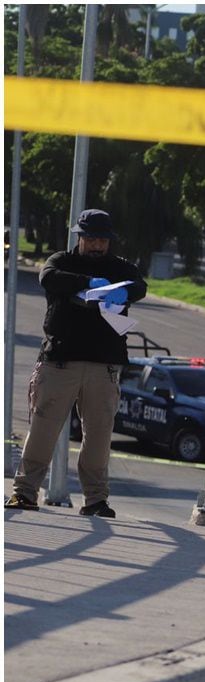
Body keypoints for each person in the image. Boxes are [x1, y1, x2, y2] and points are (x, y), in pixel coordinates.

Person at [5, 209, 147, 517]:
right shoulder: (62, 262)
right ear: (79, 237)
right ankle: (24, 493)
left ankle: (96, 500)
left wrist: (122, 290)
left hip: (104, 365)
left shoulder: (120, 268)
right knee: (44, 428)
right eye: (91, 239)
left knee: (98, 435)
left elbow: (139, 286)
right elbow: (48, 277)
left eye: (102, 240)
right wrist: (86, 282)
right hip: (60, 362)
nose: (97, 245)